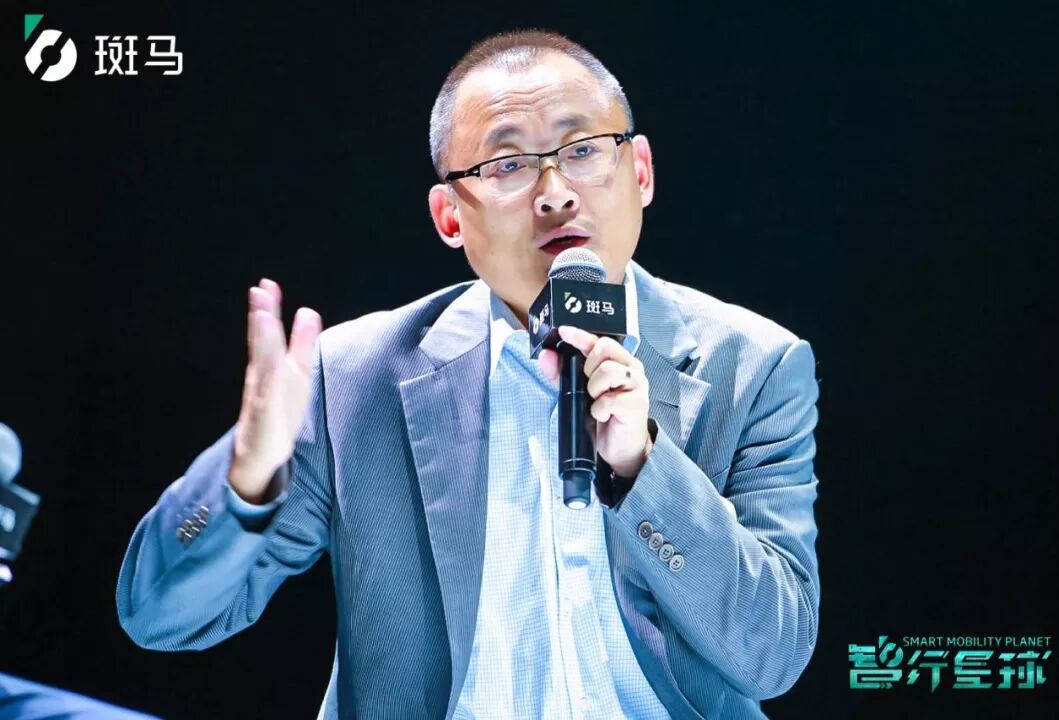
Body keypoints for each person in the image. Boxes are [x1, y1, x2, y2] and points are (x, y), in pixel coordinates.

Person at [117, 30, 821, 720]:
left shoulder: (754, 367)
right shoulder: (356, 379)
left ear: (640, 172)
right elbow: (161, 618)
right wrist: (245, 475)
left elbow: (773, 655)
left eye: (582, 150)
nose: (555, 193)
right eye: (507, 165)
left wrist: (643, 468)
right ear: (449, 216)